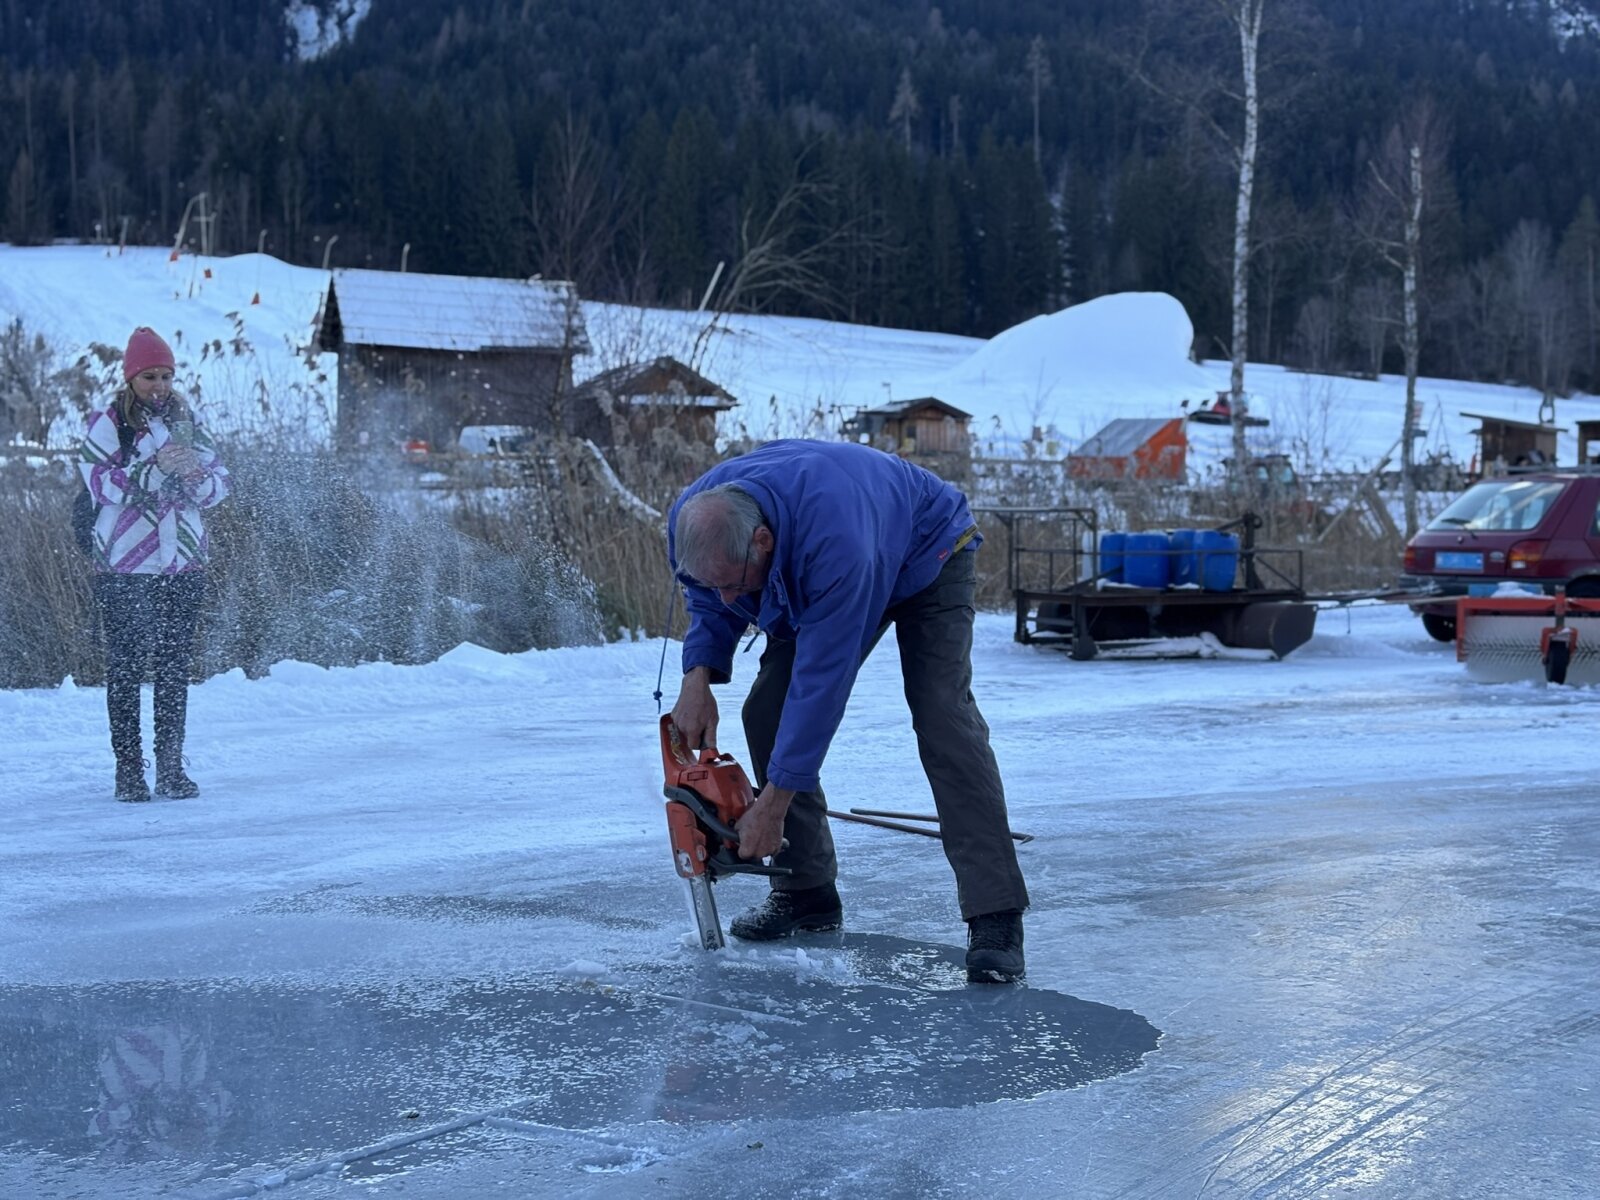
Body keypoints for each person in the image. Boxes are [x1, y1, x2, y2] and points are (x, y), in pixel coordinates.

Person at [667, 439, 1030, 982]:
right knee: (766, 709)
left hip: (927, 549)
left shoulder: (838, 545)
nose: (726, 600)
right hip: (841, 536)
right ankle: (806, 893)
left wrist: (774, 804)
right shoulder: (696, 518)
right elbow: (706, 595)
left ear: (762, 541)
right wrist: (697, 676)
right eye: (713, 583)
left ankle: (995, 915)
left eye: (735, 585)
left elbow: (821, 682)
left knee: (943, 718)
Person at [79, 327, 230, 802]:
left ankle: (170, 769)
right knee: (125, 668)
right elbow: (98, 485)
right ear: (130, 378)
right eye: (149, 377)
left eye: (166, 375)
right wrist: (152, 468)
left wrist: (194, 472)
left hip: (183, 565)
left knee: (173, 669)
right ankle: (129, 771)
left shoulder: (189, 421)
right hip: (124, 567)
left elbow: (217, 490)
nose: (160, 385)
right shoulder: (107, 424)